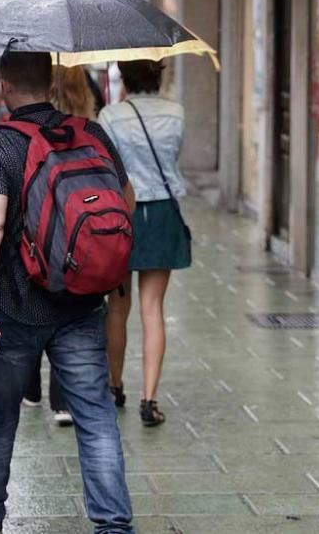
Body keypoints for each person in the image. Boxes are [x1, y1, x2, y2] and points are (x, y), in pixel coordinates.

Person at [0, 50, 135, 533]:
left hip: (12, 307)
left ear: (3, 85)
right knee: (95, 417)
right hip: (80, 302)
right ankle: (114, 525)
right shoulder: (89, 131)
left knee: (1, 411)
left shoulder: (1, 143)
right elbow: (126, 200)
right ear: (52, 82)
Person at [99, 59, 191, 427]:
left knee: (117, 308)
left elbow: (109, 165)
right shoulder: (176, 113)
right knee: (153, 308)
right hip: (164, 212)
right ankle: (149, 398)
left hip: (123, 213)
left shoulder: (110, 115)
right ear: (159, 75)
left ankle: (114, 386)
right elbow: (171, 159)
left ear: (125, 75)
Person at [24, 63, 99, 427]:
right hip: (79, 229)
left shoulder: (35, 125)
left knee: (38, 303)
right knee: (71, 312)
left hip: (44, 225)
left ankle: (32, 387)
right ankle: (63, 400)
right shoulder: (91, 122)